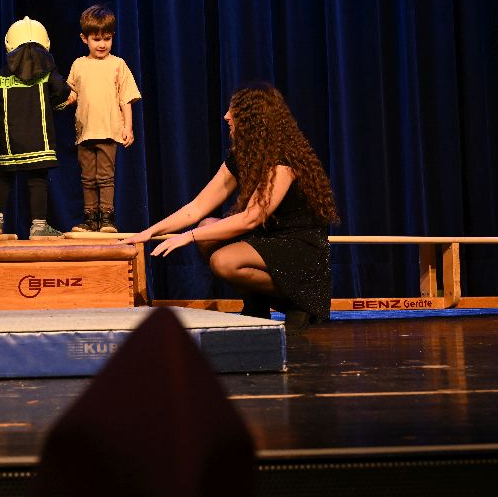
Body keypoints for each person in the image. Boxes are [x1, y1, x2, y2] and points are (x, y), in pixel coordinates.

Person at [122, 83, 338, 332]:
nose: (226, 116)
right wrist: (149, 232)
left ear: (254, 119)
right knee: (207, 227)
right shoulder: (242, 156)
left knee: (223, 261)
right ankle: (256, 304)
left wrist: (189, 236)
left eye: (234, 111)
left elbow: (251, 218)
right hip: (268, 238)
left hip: (298, 246)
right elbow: (197, 207)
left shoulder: (283, 160)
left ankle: (298, 301)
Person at [0, 17, 70, 240]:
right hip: (39, 141)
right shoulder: (47, 73)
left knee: (4, 177)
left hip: (9, 143)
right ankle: (38, 227)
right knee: (38, 179)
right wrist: (68, 98)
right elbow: (61, 93)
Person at [65, 5, 142, 234]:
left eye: (107, 39)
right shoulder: (79, 65)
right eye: (96, 39)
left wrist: (128, 127)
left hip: (109, 131)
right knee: (88, 177)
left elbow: (125, 98)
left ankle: (107, 218)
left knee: (105, 177)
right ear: (84, 38)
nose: (102, 44)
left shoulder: (118, 64)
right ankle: (90, 219)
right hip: (85, 132)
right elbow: (72, 94)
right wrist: (63, 98)